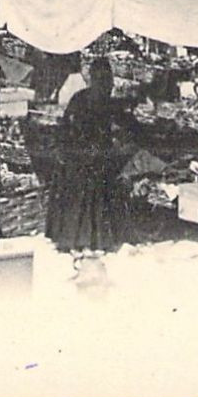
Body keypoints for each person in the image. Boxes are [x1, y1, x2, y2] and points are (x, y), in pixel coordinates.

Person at [45, 59, 130, 253]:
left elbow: (65, 128)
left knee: (77, 198)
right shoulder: (101, 101)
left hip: (76, 158)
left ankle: (72, 237)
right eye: (107, 79)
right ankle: (92, 238)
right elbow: (122, 126)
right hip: (91, 159)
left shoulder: (81, 97)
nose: (109, 84)